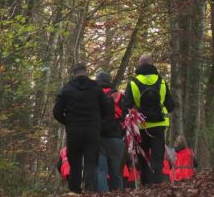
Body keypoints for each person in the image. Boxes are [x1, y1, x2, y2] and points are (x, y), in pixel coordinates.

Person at [53, 64, 111, 194]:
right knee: (91, 162)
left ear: (74, 73)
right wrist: (99, 124)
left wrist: (68, 122)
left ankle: (75, 192)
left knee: (74, 163)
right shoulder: (96, 88)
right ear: (86, 72)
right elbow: (107, 111)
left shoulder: (66, 89)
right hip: (92, 131)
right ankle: (89, 191)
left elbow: (56, 112)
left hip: (74, 131)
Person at [124, 53, 174, 185]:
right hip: (159, 124)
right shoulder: (162, 81)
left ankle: (146, 185)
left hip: (142, 126)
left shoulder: (133, 83)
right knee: (158, 157)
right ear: (152, 64)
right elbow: (170, 106)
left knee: (143, 157)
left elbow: (126, 106)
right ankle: (157, 185)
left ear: (139, 65)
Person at [95, 71, 125, 192]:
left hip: (98, 135)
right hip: (115, 135)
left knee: (101, 170)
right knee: (115, 172)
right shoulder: (118, 95)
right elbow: (126, 115)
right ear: (109, 81)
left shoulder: (93, 95)